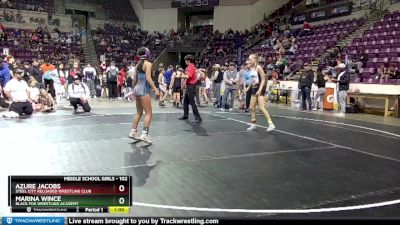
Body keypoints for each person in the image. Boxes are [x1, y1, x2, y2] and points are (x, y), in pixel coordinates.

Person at [129, 47, 159, 143]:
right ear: (147, 54)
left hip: (137, 89)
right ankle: (144, 135)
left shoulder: (138, 64)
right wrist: (155, 89)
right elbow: (148, 79)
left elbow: (134, 80)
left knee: (139, 112)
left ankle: (133, 132)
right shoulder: (148, 64)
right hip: (143, 90)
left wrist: (133, 90)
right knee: (149, 112)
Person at [246, 54, 275, 132]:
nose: (249, 61)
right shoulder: (252, 68)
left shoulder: (259, 68)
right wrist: (248, 88)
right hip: (254, 88)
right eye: (249, 59)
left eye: (250, 59)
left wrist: (260, 89)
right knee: (251, 107)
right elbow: (252, 80)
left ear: (255, 59)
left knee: (261, 108)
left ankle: (271, 124)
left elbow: (263, 80)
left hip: (260, 88)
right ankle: (253, 123)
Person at [179, 54, 202, 124]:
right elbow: (188, 75)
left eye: (185, 60)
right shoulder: (189, 67)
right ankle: (185, 115)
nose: (185, 62)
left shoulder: (191, 67)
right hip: (189, 85)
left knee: (192, 103)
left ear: (188, 60)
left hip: (191, 86)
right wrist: (183, 72)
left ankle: (198, 118)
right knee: (185, 101)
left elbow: (188, 76)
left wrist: (180, 75)